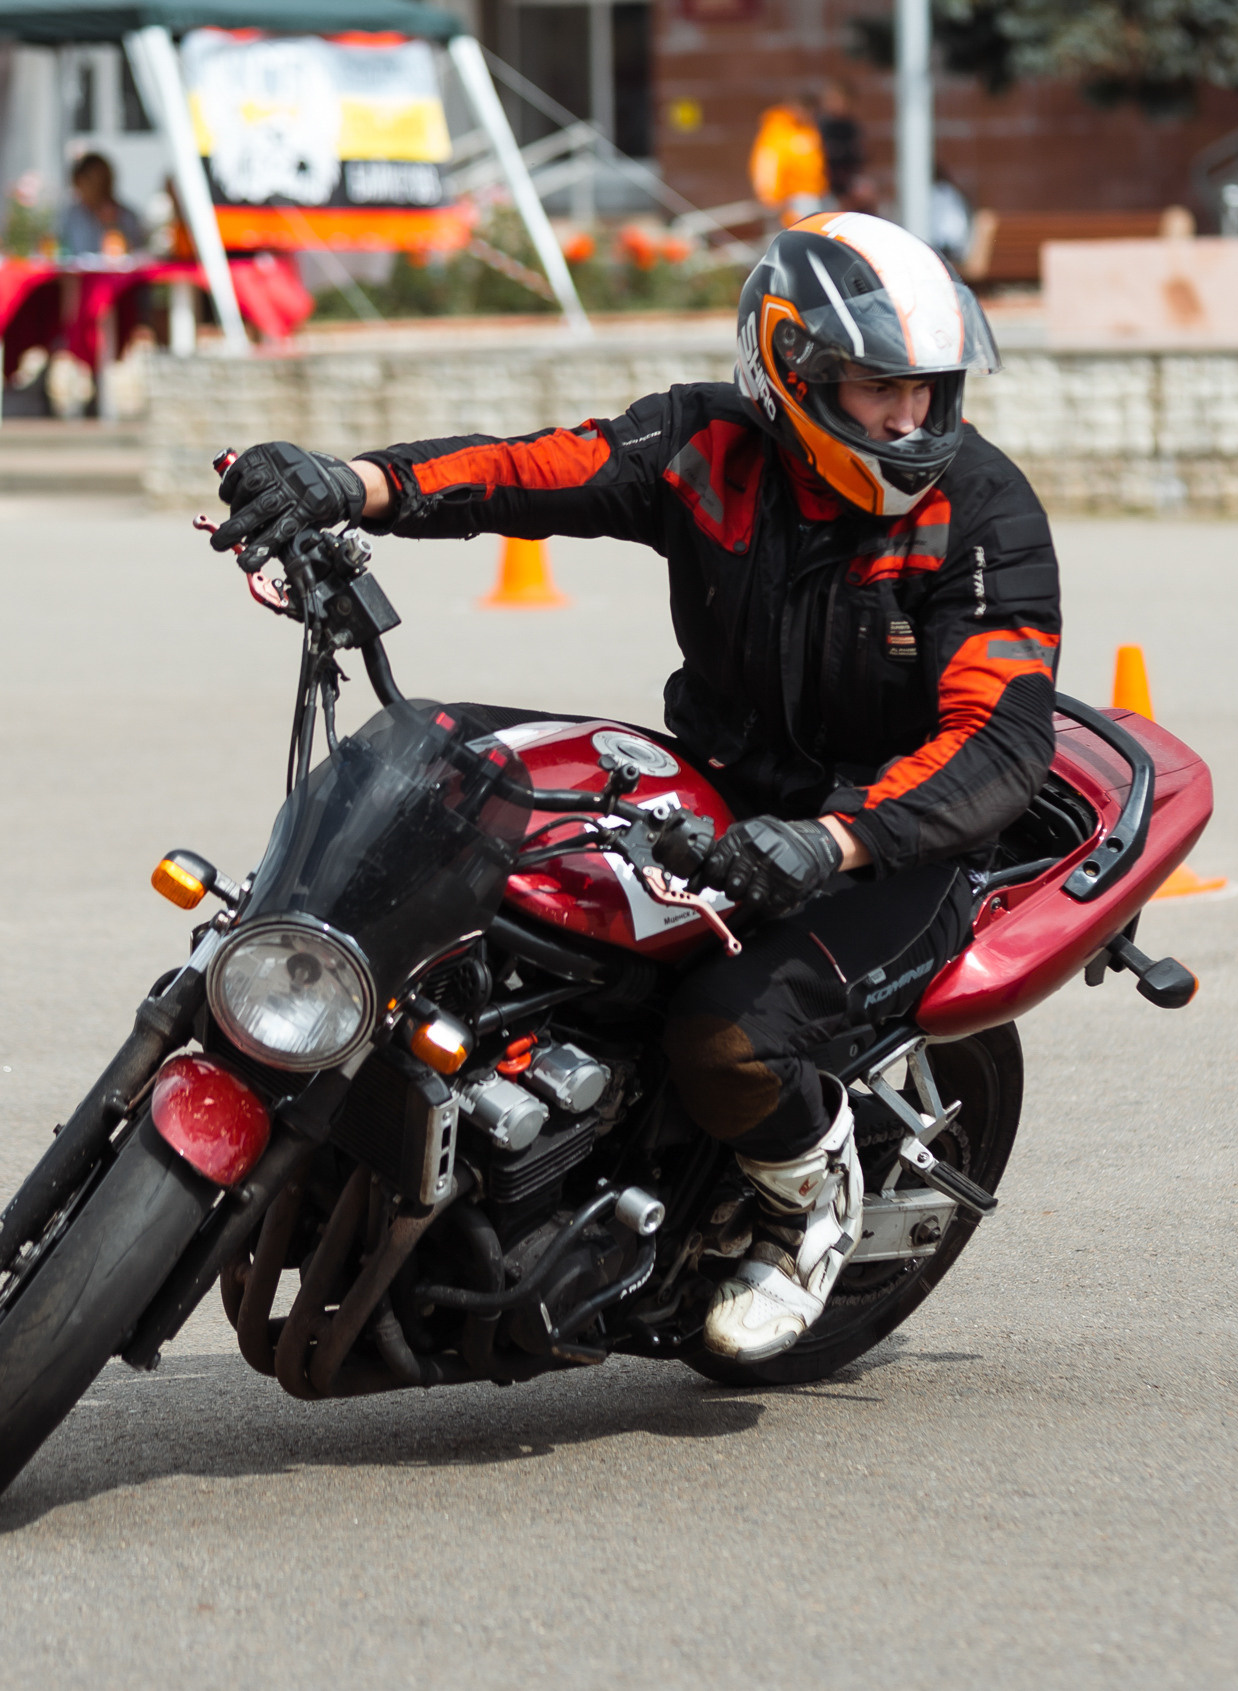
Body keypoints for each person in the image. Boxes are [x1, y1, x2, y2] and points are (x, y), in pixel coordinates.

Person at [210, 213, 1057, 1363]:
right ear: (790, 364)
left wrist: (833, 841)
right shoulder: (705, 446)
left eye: (926, 387)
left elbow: (995, 745)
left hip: (892, 844)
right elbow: (524, 472)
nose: (909, 418)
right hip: (712, 789)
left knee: (728, 1034)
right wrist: (343, 485)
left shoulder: (982, 514)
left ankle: (805, 1206)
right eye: (873, 386)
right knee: (484, 861)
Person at [748, 98, 829, 228]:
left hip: (815, 194)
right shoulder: (778, 130)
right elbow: (768, 164)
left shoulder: (809, 129)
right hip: (791, 199)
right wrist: (771, 195)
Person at [58, 152, 146, 260]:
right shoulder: (69, 216)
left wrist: (113, 226)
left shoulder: (127, 216)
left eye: (102, 180)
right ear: (77, 182)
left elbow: (139, 257)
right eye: (91, 181)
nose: (98, 188)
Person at [816, 80, 863, 205]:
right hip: (823, 185)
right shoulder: (820, 126)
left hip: (846, 184)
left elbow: (857, 158)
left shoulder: (850, 126)